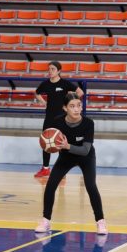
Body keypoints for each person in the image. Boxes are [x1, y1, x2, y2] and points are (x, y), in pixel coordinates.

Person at [34, 92, 107, 235]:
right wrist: (49, 145)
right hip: (66, 157)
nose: (76, 109)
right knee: (50, 185)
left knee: (91, 186)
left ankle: (101, 221)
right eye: (72, 106)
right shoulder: (57, 122)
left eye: (79, 105)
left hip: (86, 157)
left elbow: (85, 150)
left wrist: (67, 146)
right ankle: (45, 220)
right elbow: (51, 141)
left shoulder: (88, 123)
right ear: (65, 108)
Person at [34, 61, 84, 178]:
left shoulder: (65, 83)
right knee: (46, 142)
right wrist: (44, 103)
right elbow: (37, 93)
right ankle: (45, 169)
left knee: (62, 143)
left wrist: (70, 103)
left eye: (53, 69)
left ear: (59, 71)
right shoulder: (45, 84)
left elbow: (80, 92)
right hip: (49, 118)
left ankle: (62, 170)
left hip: (62, 119)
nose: (50, 71)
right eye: (49, 69)